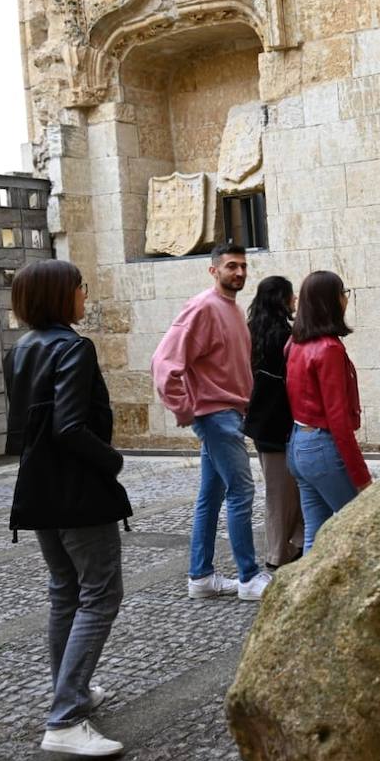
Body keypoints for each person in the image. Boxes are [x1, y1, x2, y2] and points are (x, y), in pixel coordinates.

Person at [4, 259, 131, 758]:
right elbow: (70, 426)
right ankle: (66, 717)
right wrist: (113, 460)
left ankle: (71, 692)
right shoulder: (74, 348)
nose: (85, 295)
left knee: (65, 593)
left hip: (38, 490)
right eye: (81, 287)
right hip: (78, 492)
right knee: (100, 594)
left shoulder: (20, 351)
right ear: (62, 296)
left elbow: (23, 429)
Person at [150, 243, 270, 602]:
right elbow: (164, 362)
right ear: (213, 270)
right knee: (242, 491)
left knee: (212, 495)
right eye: (232, 266)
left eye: (244, 266)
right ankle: (249, 578)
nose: (239, 273)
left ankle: (200, 577)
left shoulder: (231, 309)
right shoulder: (203, 307)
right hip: (216, 416)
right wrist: (185, 409)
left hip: (230, 414)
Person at [285, 270, 372, 550]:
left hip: (300, 444)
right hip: (321, 446)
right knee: (360, 526)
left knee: (315, 534)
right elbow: (338, 420)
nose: (346, 299)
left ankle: (305, 592)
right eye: (343, 293)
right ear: (330, 301)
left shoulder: (296, 343)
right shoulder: (328, 348)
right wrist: (361, 477)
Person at [245, 275, 302, 571]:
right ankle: (278, 553)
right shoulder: (284, 335)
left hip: (262, 422)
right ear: (282, 299)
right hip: (279, 421)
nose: (294, 302)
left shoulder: (250, 332)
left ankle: (291, 545)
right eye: (291, 296)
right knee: (282, 492)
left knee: (281, 489)